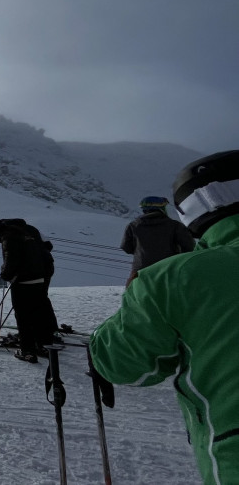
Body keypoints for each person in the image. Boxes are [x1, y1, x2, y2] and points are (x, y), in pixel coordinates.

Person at [90, 150, 239, 484]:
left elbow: (123, 366)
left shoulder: (147, 247)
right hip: (181, 275)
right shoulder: (173, 228)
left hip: (152, 278)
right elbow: (185, 245)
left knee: (156, 320)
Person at [0, 218, 58, 363]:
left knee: (23, 316)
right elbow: (48, 246)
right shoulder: (30, 229)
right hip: (41, 276)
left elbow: (10, 259)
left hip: (23, 280)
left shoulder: (8, 235)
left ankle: (28, 351)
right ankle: (43, 345)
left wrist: (5, 275)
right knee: (38, 312)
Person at [120, 195, 195, 286]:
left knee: (133, 295)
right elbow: (189, 247)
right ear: (162, 209)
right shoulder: (175, 226)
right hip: (169, 269)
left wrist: (143, 251)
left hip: (140, 271)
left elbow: (126, 248)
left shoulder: (133, 226)